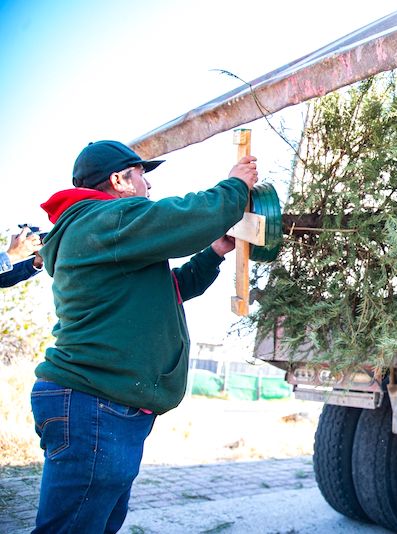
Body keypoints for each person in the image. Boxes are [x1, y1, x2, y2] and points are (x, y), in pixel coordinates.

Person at [31, 139, 258, 533]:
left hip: (99, 406)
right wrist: (235, 187)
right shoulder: (106, 219)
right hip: (96, 405)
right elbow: (184, 218)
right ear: (119, 180)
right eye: (142, 176)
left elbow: (166, 289)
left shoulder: (100, 231)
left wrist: (215, 252)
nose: (148, 187)